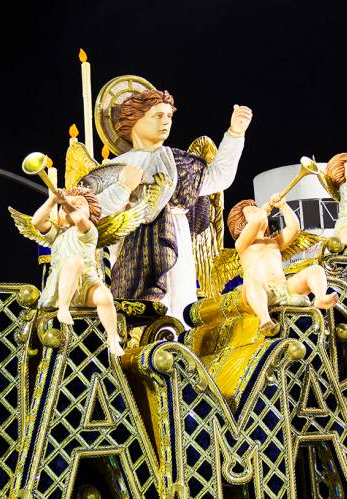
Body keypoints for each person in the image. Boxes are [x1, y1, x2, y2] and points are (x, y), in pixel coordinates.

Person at [79, 90, 252, 322]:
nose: (165, 122)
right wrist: (123, 188)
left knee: (180, 307)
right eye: (157, 116)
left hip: (177, 242)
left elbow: (219, 177)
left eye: (169, 117)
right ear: (133, 119)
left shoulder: (179, 162)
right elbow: (91, 210)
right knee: (140, 312)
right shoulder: (115, 167)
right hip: (131, 245)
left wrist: (235, 134)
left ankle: (178, 346)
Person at [29, 188, 124, 355]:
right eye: (63, 207)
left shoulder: (89, 231)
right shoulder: (56, 234)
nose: (70, 208)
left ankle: (113, 336)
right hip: (62, 287)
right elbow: (36, 221)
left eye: (79, 204)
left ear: (91, 212)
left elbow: (80, 219)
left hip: (87, 283)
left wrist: (66, 202)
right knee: (74, 262)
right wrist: (51, 201)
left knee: (105, 297)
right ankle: (63, 308)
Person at [227, 194, 337, 335]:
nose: (257, 212)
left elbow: (294, 228)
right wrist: (264, 209)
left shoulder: (274, 242)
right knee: (253, 281)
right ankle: (265, 319)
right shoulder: (242, 244)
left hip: (283, 288)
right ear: (242, 223)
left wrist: (283, 206)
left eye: (256, 210)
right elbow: (257, 221)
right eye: (251, 212)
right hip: (261, 291)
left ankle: (320, 297)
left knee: (315, 270)